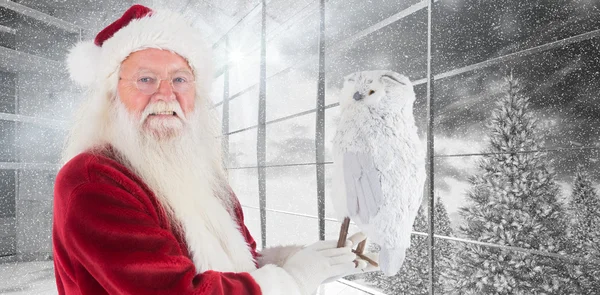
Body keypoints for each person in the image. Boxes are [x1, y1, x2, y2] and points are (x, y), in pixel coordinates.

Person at [52, 4, 378, 295]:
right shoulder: (92, 180)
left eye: (180, 80)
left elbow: (236, 265)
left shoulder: (205, 178)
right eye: (145, 79)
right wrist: (293, 280)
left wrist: (307, 259)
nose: (166, 95)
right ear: (112, 95)